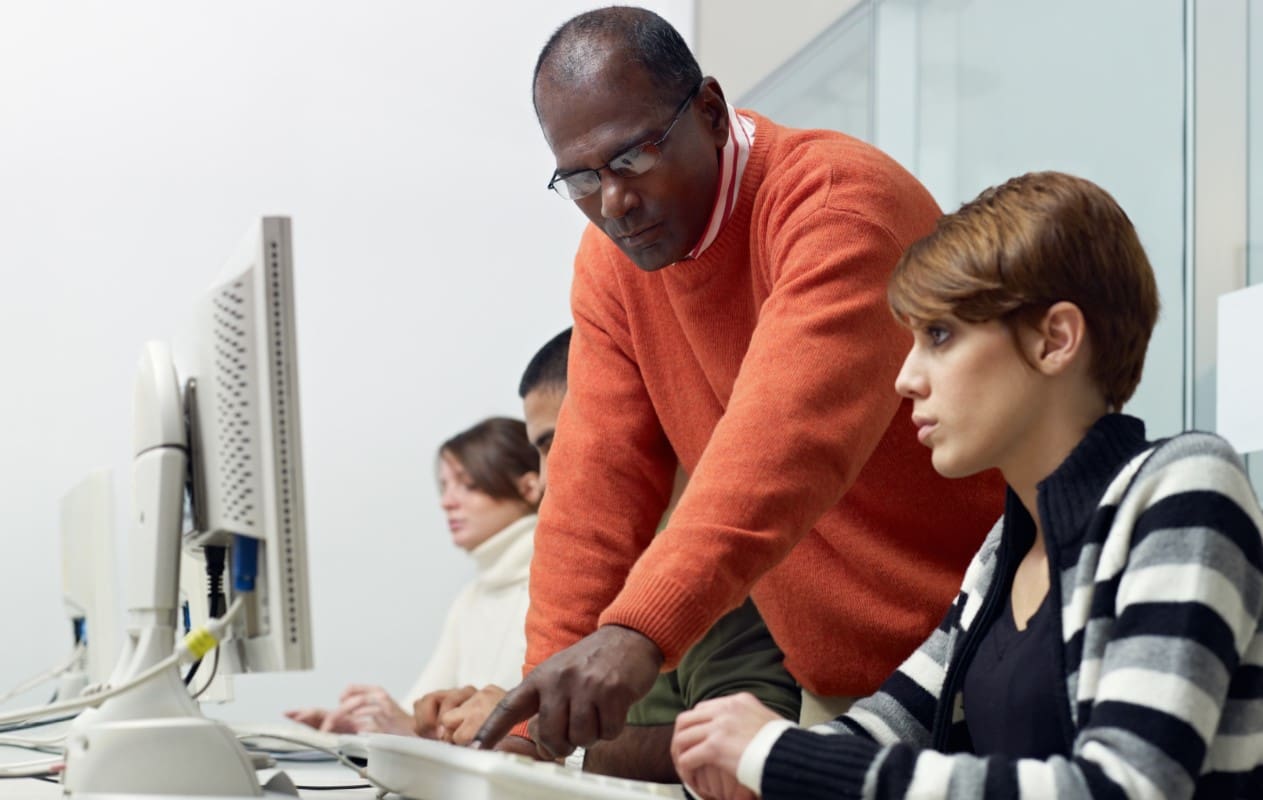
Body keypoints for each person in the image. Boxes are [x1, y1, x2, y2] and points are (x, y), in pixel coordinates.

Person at [475, 5, 1005, 758]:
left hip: (976, 656)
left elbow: (782, 446)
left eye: (630, 159)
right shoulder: (612, 266)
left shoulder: (837, 203)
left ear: (712, 113)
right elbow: (594, 487)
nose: (613, 202)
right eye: (580, 178)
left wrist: (636, 631)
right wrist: (535, 722)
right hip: (840, 683)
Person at [669, 171, 1263, 799]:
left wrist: (775, 754)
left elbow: (1122, 789)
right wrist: (727, 762)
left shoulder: (1184, 491)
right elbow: (885, 729)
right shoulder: (1004, 548)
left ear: (1054, 339)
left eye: (941, 336)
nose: (906, 378)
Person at [426, 329, 801, 782]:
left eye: (555, 444)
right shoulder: (580, 574)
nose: (542, 480)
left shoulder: (701, 563)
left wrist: (550, 747)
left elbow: (747, 747)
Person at [286, 417, 541, 736]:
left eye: (468, 484)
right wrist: (367, 724)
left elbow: (530, 738)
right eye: (444, 485)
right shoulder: (472, 597)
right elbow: (418, 713)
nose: (447, 501)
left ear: (529, 487)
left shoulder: (556, 587)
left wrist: (407, 728)